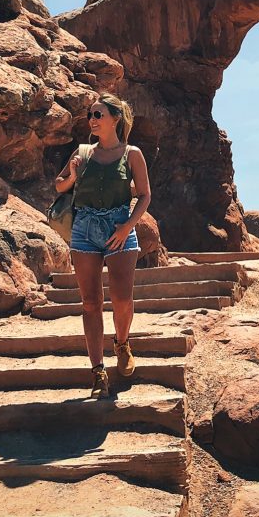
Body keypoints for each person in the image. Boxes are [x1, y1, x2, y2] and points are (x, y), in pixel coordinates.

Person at [54, 93, 151, 399]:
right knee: (90, 303)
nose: (92, 120)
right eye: (91, 115)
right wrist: (72, 171)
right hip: (84, 228)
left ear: (115, 119)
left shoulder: (131, 153)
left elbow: (145, 195)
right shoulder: (83, 151)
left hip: (119, 226)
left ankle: (121, 343)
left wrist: (127, 227)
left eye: (98, 115)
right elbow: (59, 186)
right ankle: (98, 371)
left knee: (122, 299)